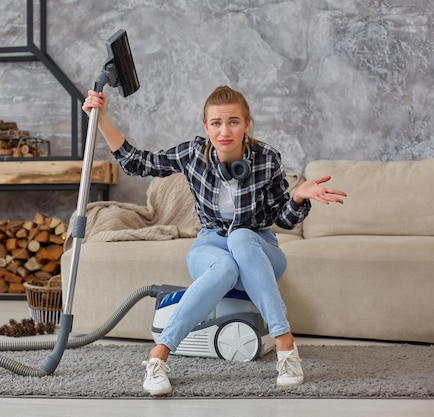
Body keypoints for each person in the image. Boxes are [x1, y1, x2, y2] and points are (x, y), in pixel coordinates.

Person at [82, 85, 347, 396]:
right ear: (206, 127)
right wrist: (101, 119)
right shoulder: (192, 155)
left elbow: (283, 220)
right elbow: (137, 162)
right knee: (223, 268)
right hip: (210, 245)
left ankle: (285, 347)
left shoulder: (266, 158)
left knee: (243, 236)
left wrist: (299, 198)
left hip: (259, 248)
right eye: (217, 123)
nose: (225, 131)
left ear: (247, 125)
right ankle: (159, 356)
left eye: (234, 122)